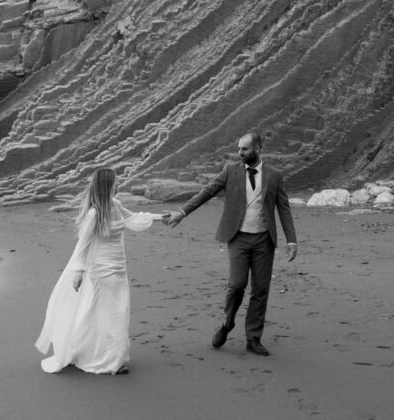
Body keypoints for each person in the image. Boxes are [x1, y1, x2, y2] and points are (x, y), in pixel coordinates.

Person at [167, 131, 297, 356]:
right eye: (239, 149)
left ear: (257, 149)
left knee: (261, 289)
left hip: (264, 239)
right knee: (237, 284)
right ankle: (227, 323)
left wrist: (291, 240)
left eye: (244, 149)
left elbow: (283, 207)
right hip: (238, 237)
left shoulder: (274, 175)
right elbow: (207, 192)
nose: (240, 153)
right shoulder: (230, 171)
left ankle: (253, 338)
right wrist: (182, 212)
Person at [36, 167, 166, 375]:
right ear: (108, 184)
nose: (118, 183)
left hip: (119, 267)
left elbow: (134, 218)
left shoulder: (115, 204)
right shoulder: (94, 213)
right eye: (116, 180)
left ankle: (101, 354)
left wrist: (162, 217)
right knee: (112, 312)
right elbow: (83, 245)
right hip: (101, 269)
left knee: (116, 310)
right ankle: (114, 361)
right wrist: (78, 272)